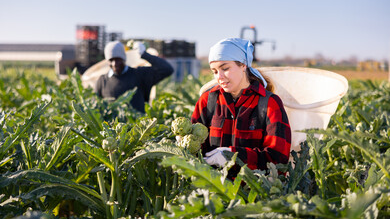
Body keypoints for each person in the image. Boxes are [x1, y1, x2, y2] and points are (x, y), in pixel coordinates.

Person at [191, 38, 291, 174]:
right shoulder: (207, 100)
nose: (219, 76)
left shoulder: (269, 103)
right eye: (214, 71)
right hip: (213, 189)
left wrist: (235, 157)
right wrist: (186, 142)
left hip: (254, 191)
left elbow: (278, 160)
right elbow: (196, 148)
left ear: (243, 65)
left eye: (225, 68)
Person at [95, 41, 173, 113]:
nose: (114, 64)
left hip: (138, 127)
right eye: (111, 60)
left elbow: (167, 69)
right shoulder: (102, 81)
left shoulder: (139, 74)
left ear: (124, 58)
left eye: (118, 59)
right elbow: (96, 105)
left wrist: (144, 54)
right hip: (110, 127)